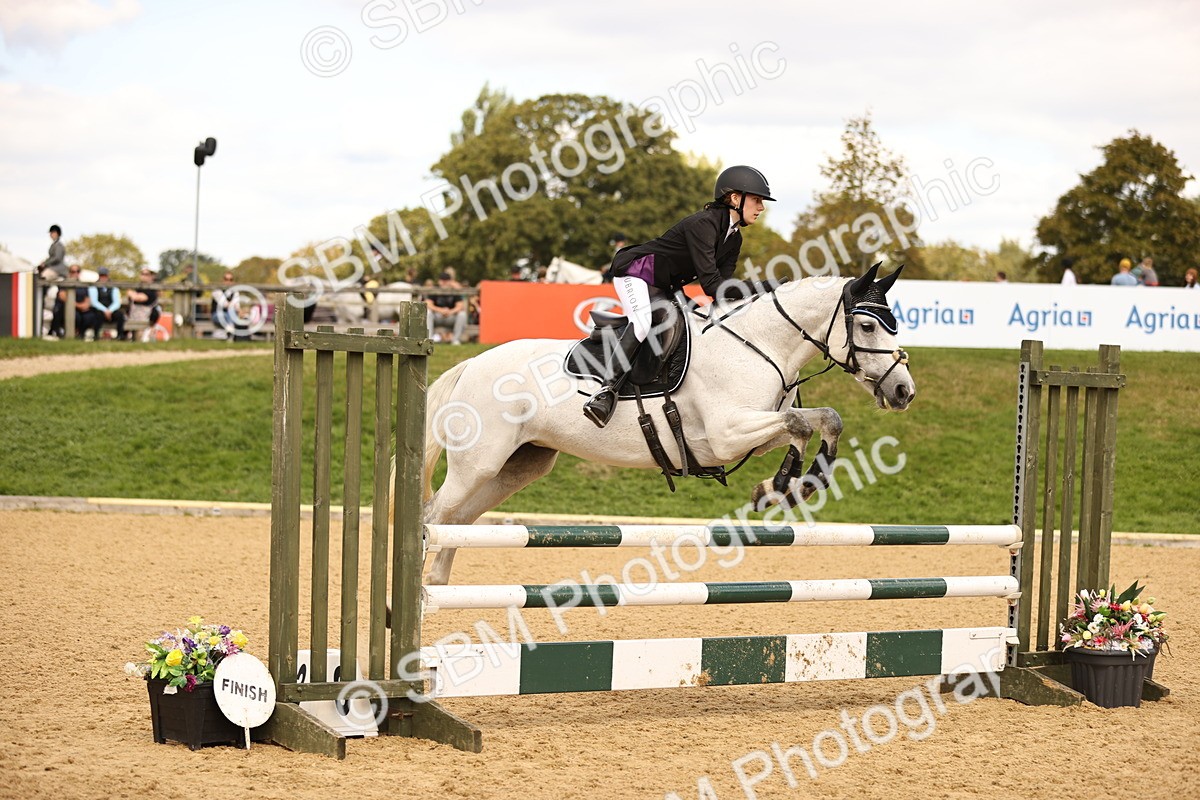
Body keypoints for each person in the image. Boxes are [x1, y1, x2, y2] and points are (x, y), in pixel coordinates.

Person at [583, 164, 774, 427]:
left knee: (693, 321)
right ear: (734, 198)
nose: (761, 207)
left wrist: (760, 295)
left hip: (666, 284)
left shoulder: (734, 238)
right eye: (756, 200)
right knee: (642, 322)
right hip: (637, 272)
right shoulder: (704, 224)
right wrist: (762, 285)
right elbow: (712, 286)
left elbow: (723, 291)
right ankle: (605, 391)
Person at [426, 271, 467, 345]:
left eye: (446, 280)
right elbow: (428, 304)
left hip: (450, 317)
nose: (444, 282)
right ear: (439, 281)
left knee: (462, 314)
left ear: (450, 281)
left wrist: (450, 312)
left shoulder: (455, 291)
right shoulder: (434, 290)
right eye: (442, 280)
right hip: (437, 316)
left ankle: (455, 340)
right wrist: (440, 310)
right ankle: (429, 340)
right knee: (428, 313)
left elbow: (460, 306)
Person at [87, 267, 125, 339]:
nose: (103, 278)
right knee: (97, 315)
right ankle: (96, 335)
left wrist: (110, 310)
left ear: (108, 276)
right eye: (101, 276)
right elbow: (94, 302)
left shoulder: (113, 287)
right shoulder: (93, 286)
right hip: (99, 309)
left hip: (111, 310)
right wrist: (105, 310)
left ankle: (120, 335)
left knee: (120, 315)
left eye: (105, 276)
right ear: (99, 276)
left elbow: (117, 302)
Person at [126, 267, 162, 339]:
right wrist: (134, 295)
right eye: (142, 274)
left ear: (151, 276)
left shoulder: (152, 288)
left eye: (146, 274)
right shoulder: (138, 286)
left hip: (147, 318)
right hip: (134, 315)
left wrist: (134, 295)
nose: (143, 276)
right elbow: (129, 293)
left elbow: (141, 298)